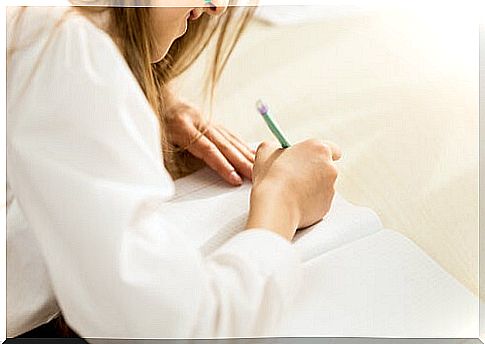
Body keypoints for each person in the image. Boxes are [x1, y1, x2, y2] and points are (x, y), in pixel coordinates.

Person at [6, 0, 341, 339]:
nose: (218, 7)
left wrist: (132, 89)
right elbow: (166, 327)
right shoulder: (61, 48)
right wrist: (284, 202)